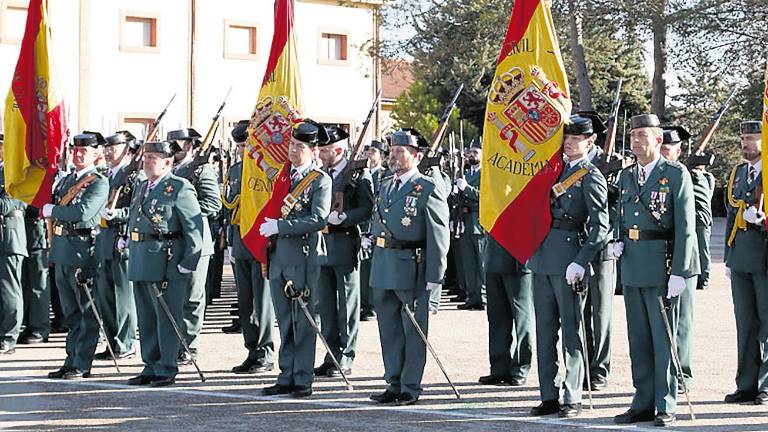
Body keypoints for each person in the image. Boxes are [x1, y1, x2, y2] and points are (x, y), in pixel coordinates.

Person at [612, 114, 699, 427]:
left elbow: (686, 228)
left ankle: (665, 403)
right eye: (633, 135)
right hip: (634, 265)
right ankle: (642, 400)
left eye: (643, 135)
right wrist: (617, 241)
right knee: (638, 338)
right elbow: (621, 215)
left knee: (663, 339)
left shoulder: (675, 174)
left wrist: (681, 271)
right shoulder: (625, 176)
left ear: (659, 140)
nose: (636, 141)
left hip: (662, 267)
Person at [528, 114, 610, 418]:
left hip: (569, 258)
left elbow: (600, 226)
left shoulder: (591, 176)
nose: (569, 143)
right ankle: (548, 394)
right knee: (545, 331)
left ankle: (572, 394)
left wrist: (580, 260)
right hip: (543, 258)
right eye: (567, 138)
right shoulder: (553, 170)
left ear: (590, 143)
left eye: (576, 139)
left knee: (572, 332)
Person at [367, 129, 449, 406]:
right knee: (388, 328)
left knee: (412, 330)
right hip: (384, 263)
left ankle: (410, 386)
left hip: (412, 265)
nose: (394, 156)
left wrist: (435, 275)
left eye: (400, 151)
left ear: (416, 156)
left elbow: (439, 234)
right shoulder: (386, 183)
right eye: (392, 150)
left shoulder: (427, 188)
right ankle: (393, 381)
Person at [260, 119, 332, 398]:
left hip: (303, 257)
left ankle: (302, 378)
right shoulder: (283, 177)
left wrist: (281, 227)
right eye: (291, 145)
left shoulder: (320, 181)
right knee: (285, 320)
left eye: (300, 146)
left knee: (303, 320)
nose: (293, 150)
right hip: (279, 256)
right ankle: (286, 373)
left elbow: (318, 218)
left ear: (313, 151)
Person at [124, 141, 203, 387]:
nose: (147, 162)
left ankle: (167, 366)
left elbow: (194, 230)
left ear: (168, 162)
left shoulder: (179, 188)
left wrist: (187, 264)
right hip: (142, 258)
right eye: (146, 157)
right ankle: (151, 363)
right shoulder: (142, 187)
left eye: (153, 158)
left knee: (167, 317)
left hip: (166, 261)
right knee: (146, 317)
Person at [44, 132, 109, 379]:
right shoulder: (66, 181)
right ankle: (70, 359)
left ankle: (82, 363)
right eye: (75, 150)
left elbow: (83, 213)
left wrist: (54, 209)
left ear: (95, 154)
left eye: (84, 151)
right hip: (62, 248)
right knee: (70, 312)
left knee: (86, 311)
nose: (78, 154)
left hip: (83, 249)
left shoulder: (97, 182)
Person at [314, 125, 373, 377]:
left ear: (338, 150)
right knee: (325, 304)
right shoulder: (319, 174)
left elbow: (367, 209)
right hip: (322, 245)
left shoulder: (358, 174)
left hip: (344, 242)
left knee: (347, 303)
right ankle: (330, 353)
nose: (321, 153)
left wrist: (346, 217)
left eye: (325, 150)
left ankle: (345, 356)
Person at [168, 128, 222, 365]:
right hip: (172, 241)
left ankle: (189, 346)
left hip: (197, 241)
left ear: (190, 146)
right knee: (173, 296)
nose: (173, 149)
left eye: (177, 145)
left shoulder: (201, 170)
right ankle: (173, 341)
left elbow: (213, 204)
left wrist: (184, 210)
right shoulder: (168, 170)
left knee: (192, 297)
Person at [723, 120, 768, 405]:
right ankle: (747, 383)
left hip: (764, 255)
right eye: (743, 138)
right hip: (741, 255)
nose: (745, 143)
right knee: (745, 323)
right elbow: (730, 214)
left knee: (767, 323)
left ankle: (765, 385)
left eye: (752, 138)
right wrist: (728, 257)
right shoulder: (738, 173)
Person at [225, 120, 275, 374]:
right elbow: (230, 208)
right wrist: (230, 242)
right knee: (244, 301)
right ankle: (251, 349)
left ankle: (265, 351)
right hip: (240, 241)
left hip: (261, 241)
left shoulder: (265, 169)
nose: (243, 150)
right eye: (240, 146)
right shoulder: (235, 171)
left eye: (247, 145)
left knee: (262, 301)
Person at [93, 131, 140, 360]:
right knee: (106, 294)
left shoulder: (135, 176)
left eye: (114, 146)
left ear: (127, 147)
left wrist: (118, 213)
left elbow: (139, 209)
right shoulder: (105, 176)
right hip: (104, 239)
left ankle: (126, 342)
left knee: (123, 296)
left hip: (122, 237)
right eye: (107, 147)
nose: (109, 150)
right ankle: (112, 342)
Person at [0, 133, 27, 355]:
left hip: (9, 239)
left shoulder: (15, 173)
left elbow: (8, 204)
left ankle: (9, 336)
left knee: (9, 289)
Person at [455, 140, 487, 311]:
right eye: (469, 152)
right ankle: (472, 297)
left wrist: (466, 189)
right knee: (468, 264)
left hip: (479, 221)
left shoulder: (486, 174)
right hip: (465, 221)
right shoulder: (464, 174)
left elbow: (485, 197)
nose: (471, 155)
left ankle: (483, 297)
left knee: (481, 263)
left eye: (475, 152)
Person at [360, 140, 388, 321]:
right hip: (363, 226)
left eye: (373, 152)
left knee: (374, 269)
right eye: (367, 151)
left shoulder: (384, 176)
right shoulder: (361, 174)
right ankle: (364, 303)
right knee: (363, 269)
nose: (369, 155)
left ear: (382, 155)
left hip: (377, 226)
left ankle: (373, 305)